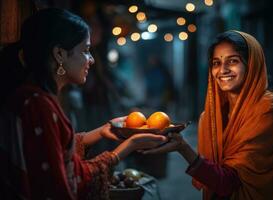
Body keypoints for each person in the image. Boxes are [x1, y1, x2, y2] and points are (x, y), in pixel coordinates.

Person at [0, 8, 167, 200]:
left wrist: (99, 132)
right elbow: (66, 185)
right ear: (60, 54)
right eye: (86, 51)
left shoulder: (34, 97)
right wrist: (127, 147)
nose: (92, 60)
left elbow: (55, 151)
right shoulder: (37, 105)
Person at [143, 30, 273, 199]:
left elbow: (228, 182)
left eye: (233, 61)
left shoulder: (268, 109)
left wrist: (183, 148)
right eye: (216, 63)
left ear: (251, 64)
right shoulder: (211, 117)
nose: (223, 70)